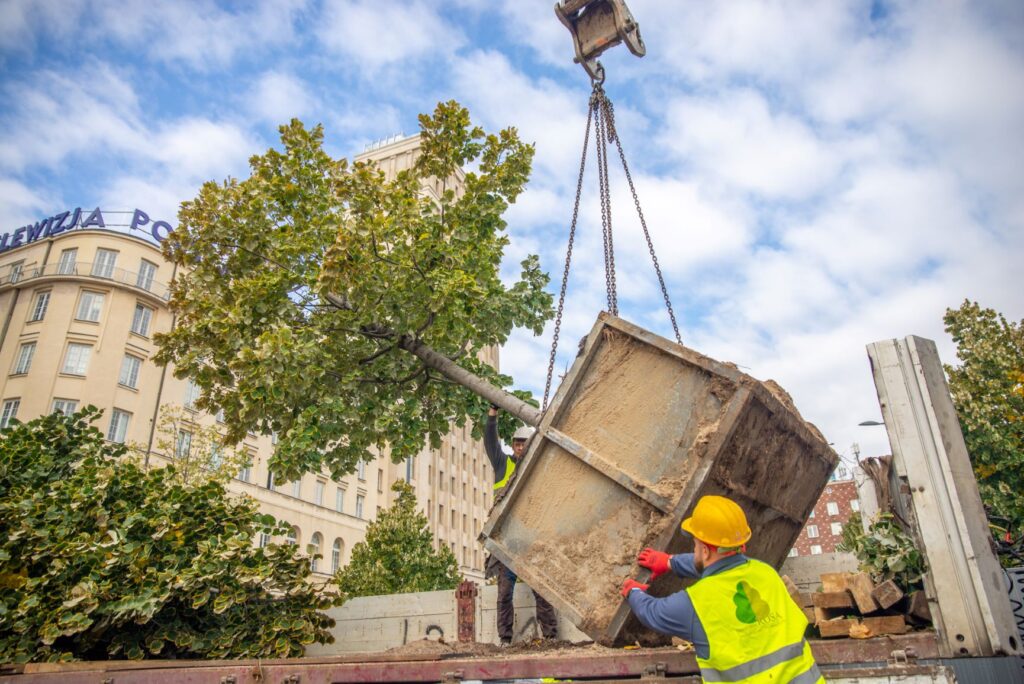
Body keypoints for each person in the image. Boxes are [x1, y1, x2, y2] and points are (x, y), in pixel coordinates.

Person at [621, 495, 823, 684]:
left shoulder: (696, 604)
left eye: (695, 545)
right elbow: (722, 565)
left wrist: (633, 592)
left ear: (705, 550)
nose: (694, 549)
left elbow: (652, 612)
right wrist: (670, 562)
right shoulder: (766, 573)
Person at [485, 405, 558, 645]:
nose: (520, 447)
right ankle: (505, 639)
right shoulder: (502, 464)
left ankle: (550, 635)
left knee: (541, 590)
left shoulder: (537, 466)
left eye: (524, 444)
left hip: (529, 540)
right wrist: (492, 415)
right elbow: (490, 442)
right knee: (505, 593)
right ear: (513, 445)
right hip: (506, 541)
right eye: (517, 443)